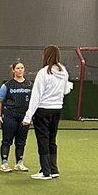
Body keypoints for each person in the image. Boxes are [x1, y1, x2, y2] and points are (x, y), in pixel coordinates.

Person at [23, 44, 71, 179]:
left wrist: (28, 117)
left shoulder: (43, 73)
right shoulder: (64, 72)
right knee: (51, 139)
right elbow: (66, 90)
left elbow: (36, 96)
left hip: (43, 110)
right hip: (57, 110)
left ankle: (45, 171)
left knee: (43, 140)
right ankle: (53, 169)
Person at [0, 60, 32, 172]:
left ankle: (19, 163)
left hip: (24, 116)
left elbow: (33, 101)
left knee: (21, 141)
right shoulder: (7, 85)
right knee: (7, 140)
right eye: (18, 68)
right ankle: (4, 163)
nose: (20, 70)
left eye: (22, 68)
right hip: (10, 115)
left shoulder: (30, 85)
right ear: (13, 70)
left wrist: (31, 116)